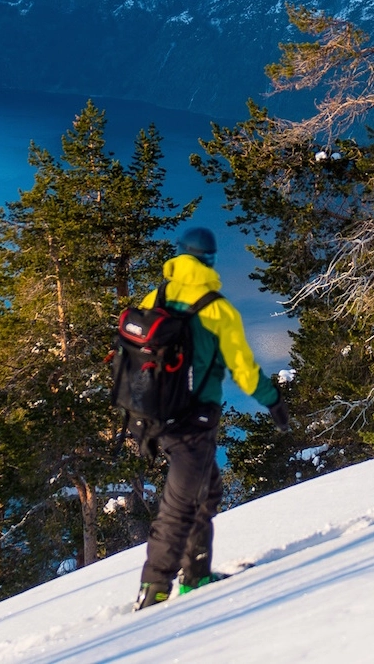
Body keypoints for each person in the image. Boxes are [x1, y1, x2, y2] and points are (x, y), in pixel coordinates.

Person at [133, 227, 290, 610]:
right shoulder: (217, 309)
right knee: (180, 504)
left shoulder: (156, 296)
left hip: (157, 415)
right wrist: (272, 401)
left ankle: (196, 574)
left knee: (208, 491)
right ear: (210, 261)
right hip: (194, 422)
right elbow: (244, 369)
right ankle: (154, 589)